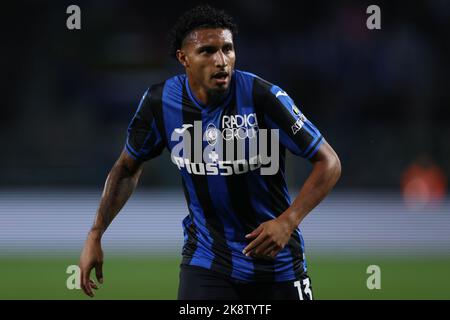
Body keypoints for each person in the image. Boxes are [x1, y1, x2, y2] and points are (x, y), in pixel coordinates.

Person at [79, 4, 341, 300]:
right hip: (207, 263)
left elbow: (329, 162)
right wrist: (95, 234)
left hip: (276, 264)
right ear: (184, 58)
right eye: (207, 51)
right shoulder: (160, 102)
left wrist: (288, 221)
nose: (221, 61)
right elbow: (126, 168)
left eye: (227, 49)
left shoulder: (263, 97)